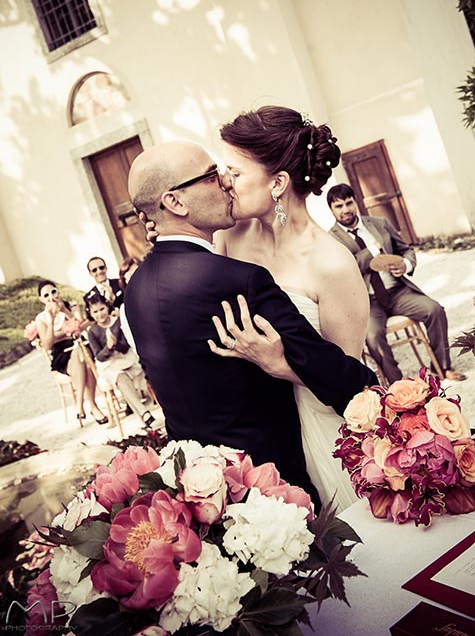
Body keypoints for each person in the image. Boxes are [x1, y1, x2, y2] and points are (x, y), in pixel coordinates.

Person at [126, 140, 376, 511]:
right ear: (175, 202)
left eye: (230, 173)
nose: (225, 181)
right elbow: (346, 379)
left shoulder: (135, 289)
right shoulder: (238, 280)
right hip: (274, 485)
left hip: (202, 489)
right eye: (213, 175)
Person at [327, 182, 466, 384]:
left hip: (398, 292)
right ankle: (399, 386)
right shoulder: (331, 240)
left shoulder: (379, 223)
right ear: (331, 209)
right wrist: (373, 251)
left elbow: (405, 249)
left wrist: (406, 264)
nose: (346, 210)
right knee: (372, 336)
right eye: (339, 206)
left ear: (356, 202)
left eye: (349, 203)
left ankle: (443, 368)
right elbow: (347, 269)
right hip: (367, 302)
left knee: (434, 309)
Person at [35, 280, 107, 423]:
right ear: (41, 299)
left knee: (80, 354)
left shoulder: (72, 306)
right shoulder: (41, 318)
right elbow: (48, 344)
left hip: (79, 345)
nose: (51, 297)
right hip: (61, 354)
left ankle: (80, 405)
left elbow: (78, 328)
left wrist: (65, 312)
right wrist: (52, 320)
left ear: (58, 291)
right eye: (46, 295)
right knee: (81, 358)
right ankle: (92, 406)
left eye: (53, 292)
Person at [85, 294, 159, 428]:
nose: (100, 314)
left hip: (125, 358)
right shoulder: (93, 331)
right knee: (120, 377)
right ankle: (144, 414)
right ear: (90, 313)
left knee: (138, 372)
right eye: (95, 311)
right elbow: (99, 356)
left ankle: (147, 416)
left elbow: (126, 347)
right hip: (109, 365)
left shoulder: (118, 321)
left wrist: (116, 343)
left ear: (107, 306)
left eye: (102, 309)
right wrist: (108, 347)